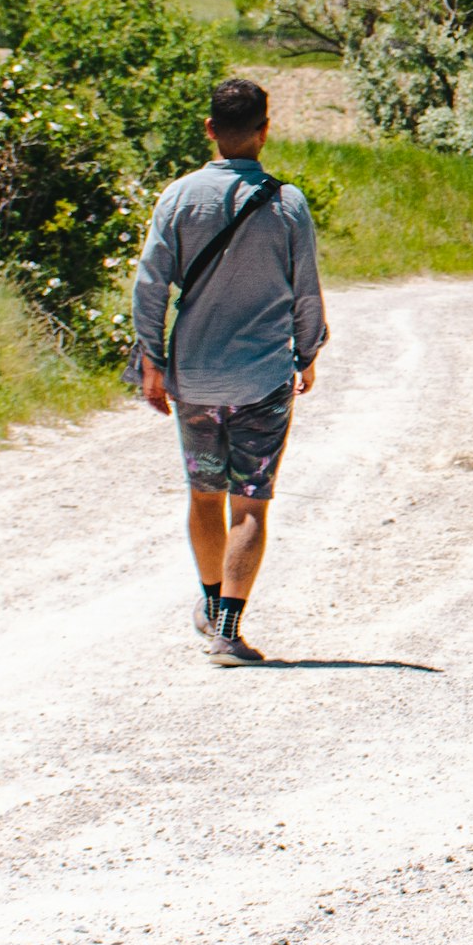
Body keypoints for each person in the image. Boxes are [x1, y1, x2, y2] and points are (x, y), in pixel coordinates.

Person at [129, 77, 327, 665]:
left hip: (194, 376)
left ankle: (210, 602)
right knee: (250, 503)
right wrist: (308, 353)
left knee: (204, 494)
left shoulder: (179, 197)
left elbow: (149, 284)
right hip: (262, 380)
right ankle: (227, 632)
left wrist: (152, 362)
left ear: (210, 128)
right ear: (265, 130)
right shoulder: (287, 204)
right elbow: (306, 291)